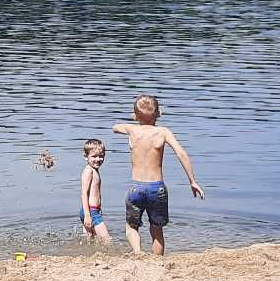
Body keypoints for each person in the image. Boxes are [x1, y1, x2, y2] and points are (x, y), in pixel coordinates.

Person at [111, 95, 204, 256]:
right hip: (157, 189)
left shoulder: (132, 130)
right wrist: (192, 181)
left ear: (135, 115)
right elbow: (182, 154)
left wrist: (135, 119)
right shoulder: (163, 132)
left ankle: (138, 251)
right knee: (157, 230)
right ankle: (157, 262)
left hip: (136, 188)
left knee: (131, 226)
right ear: (159, 113)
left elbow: (115, 127)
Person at [79, 138, 111, 244]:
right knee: (107, 240)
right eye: (94, 156)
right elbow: (84, 193)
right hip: (90, 211)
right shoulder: (88, 171)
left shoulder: (94, 170)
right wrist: (88, 215)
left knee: (89, 240)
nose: (98, 159)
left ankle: (87, 257)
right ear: (86, 157)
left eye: (101, 156)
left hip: (93, 210)